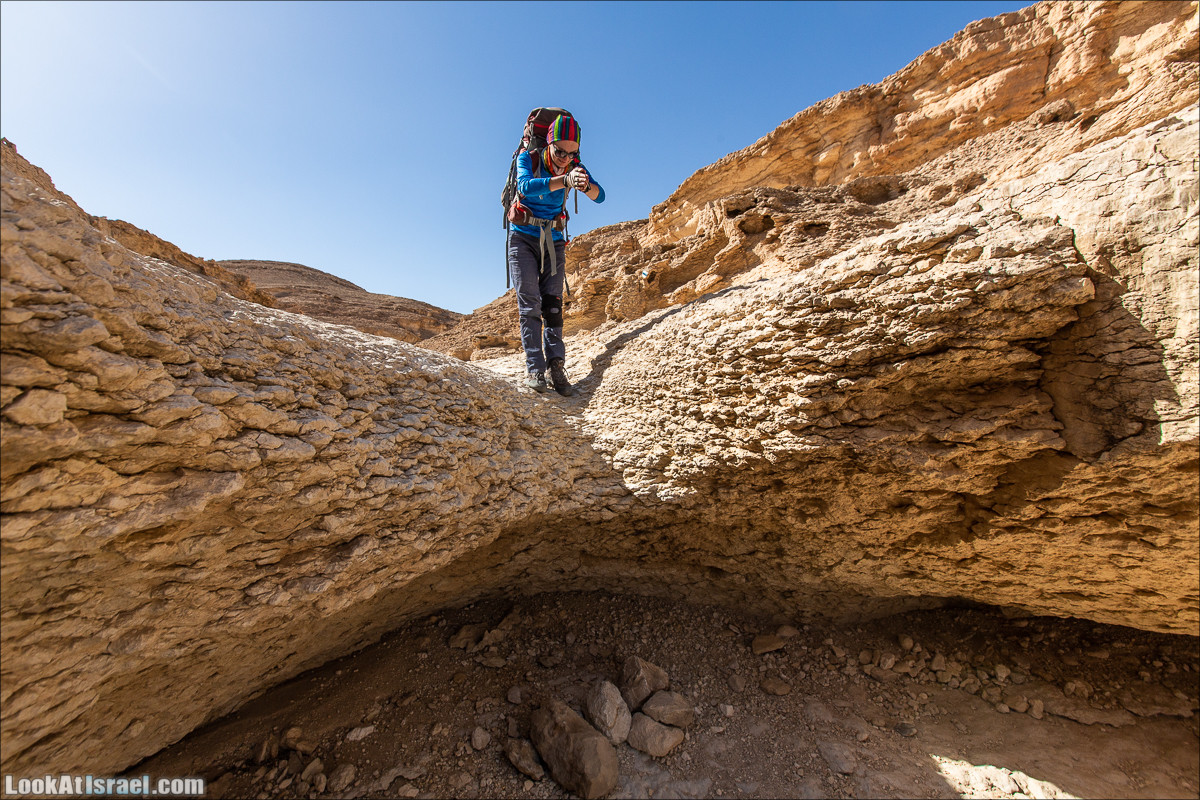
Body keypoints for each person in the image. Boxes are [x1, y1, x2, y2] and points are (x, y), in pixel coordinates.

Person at [508, 114, 605, 396]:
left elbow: (600, 196)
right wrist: (565, 180)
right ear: (548, 144)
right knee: (529, 304)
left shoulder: (576, 167)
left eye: (572, 153)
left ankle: (556, 365)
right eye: (560, 151)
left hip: (554, 239)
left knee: (552, 305)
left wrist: (585, 185)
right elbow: (525, 187)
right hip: (523, 237)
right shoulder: (529, 158)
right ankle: (534, 368)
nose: (565, 157)